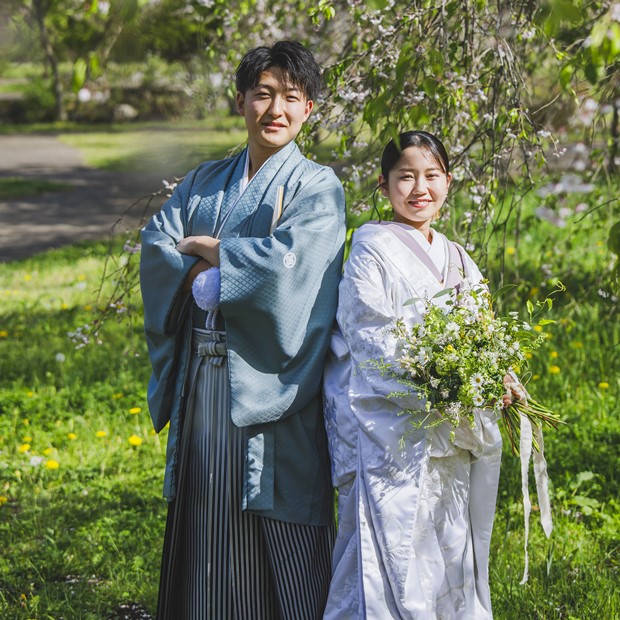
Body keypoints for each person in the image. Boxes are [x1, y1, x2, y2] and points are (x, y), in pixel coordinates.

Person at [139, 41, 346, 620]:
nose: (275, 108)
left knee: (280, 515)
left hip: (276, 384)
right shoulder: (206, 181)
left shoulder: (318, 188)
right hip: (204, 382)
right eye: (263, 94)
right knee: (208, 511)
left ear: (309, 110)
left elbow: (294, 268)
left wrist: (210, 253)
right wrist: (223, 267)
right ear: (240, 102)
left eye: (291, 96)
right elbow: (157, 245)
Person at [323, 130, 503, 619]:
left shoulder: (459, 257)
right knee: (387, 556)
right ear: (384, 187)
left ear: (448, 181)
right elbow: (369, 333)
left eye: (431, 176)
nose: (419, 188)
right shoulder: (370, 248)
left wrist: (493, 374)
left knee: (448, 544)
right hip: (392, 427)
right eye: (406, 177)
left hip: (451, 425)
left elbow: (483, 331)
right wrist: (437, 377)